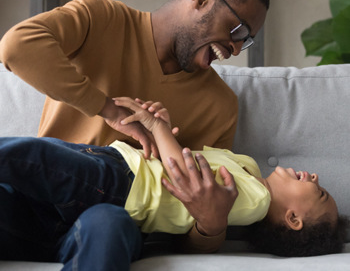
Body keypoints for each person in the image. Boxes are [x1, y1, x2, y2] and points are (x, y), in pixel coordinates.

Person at [0, 0, 269, 268]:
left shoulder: (220, 105)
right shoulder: (101, 17)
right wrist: (106, 108)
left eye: (246, 41)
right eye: (238, 31)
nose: (236, 50)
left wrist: (210, 225)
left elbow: (178, 227)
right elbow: (17, 47)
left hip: (108, 222)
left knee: (110, 225)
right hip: (29, 199)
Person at [0, 98, 347, 266]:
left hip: (120, 188)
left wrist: (157, 128)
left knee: (31, 156)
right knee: (35, 157)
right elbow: (184, 160)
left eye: (318, 191)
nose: (314, 176)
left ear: (293, 219)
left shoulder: (254, 198)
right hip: (108, 166)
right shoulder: (247, 168)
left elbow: (182, 174)